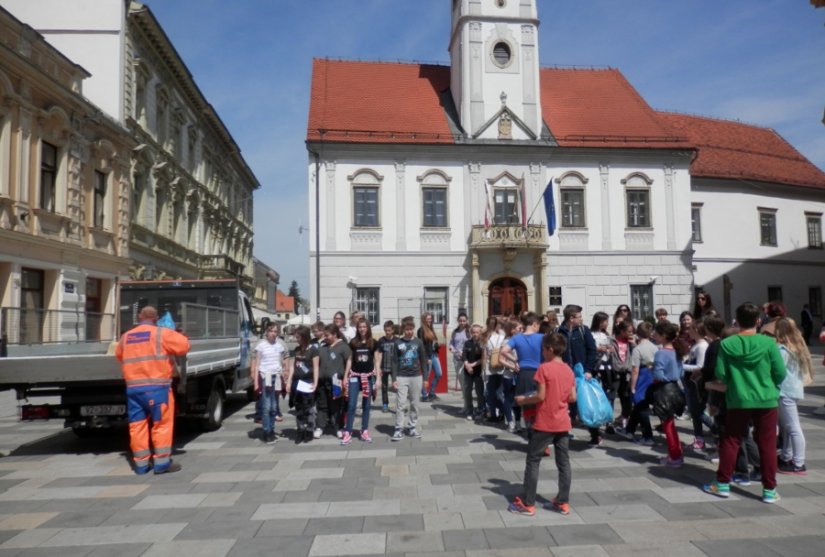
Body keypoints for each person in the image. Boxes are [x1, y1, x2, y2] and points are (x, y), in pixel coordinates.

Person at [703, 302, 786, 504]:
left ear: (737, 321)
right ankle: (769, 489)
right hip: (766, 399)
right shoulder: (768, 344)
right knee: (767, 443)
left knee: (731, 440)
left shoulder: (726, 344)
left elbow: (721, 374)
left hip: (738, 398)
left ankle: (723, 483)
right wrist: (769, 385)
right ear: (758, 321)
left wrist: (736, 382)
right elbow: (780, 373)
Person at [507, 333, 577, 517]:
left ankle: (528, 503)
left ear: (550, 349)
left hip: (545, 420)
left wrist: (523, 400)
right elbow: (573, 397)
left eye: (543, 349)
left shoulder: (544, 369)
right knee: (563, 463)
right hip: (563, 421)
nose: (542, 353)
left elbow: (540, 396)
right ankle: (563, 502)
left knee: (533, 461)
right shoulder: (569, 370)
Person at [115, 306, 190, 474]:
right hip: (157, 388)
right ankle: (161, 463)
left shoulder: (126, 336)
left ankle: (141, 465)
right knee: (161, 425)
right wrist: (178, 334)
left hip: (134, 389)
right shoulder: (161, 333)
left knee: (137, 426)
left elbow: (119, 355)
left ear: (139, 317)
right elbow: (184, 346)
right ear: (156, 319)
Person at [774, 317, 814, 475]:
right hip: (793, 390)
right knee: (787, 426)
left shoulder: (782, 350)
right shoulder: (797, 347)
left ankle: (798, 462)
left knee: (793, 427)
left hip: (785, 391)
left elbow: (778, 371)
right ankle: (786, 456)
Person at [556, 305, 598, 445]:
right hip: (564, 374)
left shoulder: (583, 330)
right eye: (579, 316)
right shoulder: (558, 332)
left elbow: (592, 351)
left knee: (587, 404)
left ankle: (595, 434)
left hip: (582, 374)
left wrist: (588, 370)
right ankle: (563, 432)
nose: (581, 319)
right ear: (571, 318)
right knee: (565, 404)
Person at [650, 321, 688, 467]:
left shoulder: (660, 353)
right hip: (676, 389)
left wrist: (651, 369)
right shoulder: (677, 351)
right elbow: (681, 372)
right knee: (670, 424)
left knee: (668, 425)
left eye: (657, 334)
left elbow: (659, 375)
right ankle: (675, 453)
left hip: (664, 390)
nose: (654, 335)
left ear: (663, 336)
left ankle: (675, 456)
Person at [501, 312, 545, 434]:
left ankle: (531, 432)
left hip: (524, 374)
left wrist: (515, 360)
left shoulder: (516, 338)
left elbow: (504, 351)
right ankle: (541, 432)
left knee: (527, 405)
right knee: (541, 403)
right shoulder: (541, 337)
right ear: (535, 324)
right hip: (539, 372)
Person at [342, 318, 380, 445]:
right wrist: (345, 376)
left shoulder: (373, 343)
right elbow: (349, 360)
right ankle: (348, 431)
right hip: (354, 376)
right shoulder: (353, 342)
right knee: (351, 404)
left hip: (368, 377)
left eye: (364, 327)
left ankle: (364, 430)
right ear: (357, 329)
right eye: (360, 327)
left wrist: (378, 378)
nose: (362, 329)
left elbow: (377, 361)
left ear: (368, 328)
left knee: (366, 405)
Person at [620, 321, 657, 445]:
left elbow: (635, 370)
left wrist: (633, 386)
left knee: (641, 406)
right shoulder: (654, 347)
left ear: (637, 333)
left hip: (642, 376)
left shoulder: (637, 349)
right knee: (640, 405)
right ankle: (629, 430)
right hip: (651, 375)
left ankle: (648, 436)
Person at [392, 316, 427, 441]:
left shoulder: (418, 342)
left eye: (411, 329)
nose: (409, 331)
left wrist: (426, 378)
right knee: (400, 404)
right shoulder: (398, 343)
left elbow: (423, 361)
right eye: (406, 329)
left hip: (416, 376)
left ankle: (412, 427)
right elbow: (394, 362)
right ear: (403, 330)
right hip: (401, 377)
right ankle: (398, 429)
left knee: (414, 404)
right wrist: (394, 379)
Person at [252, 322, 287, 444]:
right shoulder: (261, 345)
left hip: (276, 376)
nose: (273, 333)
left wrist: (284, 377)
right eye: (271, 331)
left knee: (274, 406)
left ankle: (272, 430)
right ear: (266, 332)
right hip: (265, 376)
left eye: (276, 331)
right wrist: (256, 382)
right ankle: (266, 432)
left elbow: (281, 363)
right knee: (266, 406)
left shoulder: (279, 346)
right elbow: (257, 365)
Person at [284, 325, 319, 444]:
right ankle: (300, 430)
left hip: (308, 382)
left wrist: (315, 383)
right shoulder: (297, 349)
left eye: (298, 337)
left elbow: (315, 367)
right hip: (297, 382)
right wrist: (289, 382)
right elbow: (293, 367)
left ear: (304, 337)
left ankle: (309, 430)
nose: (296, 339)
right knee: (298, 408)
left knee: (308, 408)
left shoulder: (313, 350)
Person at [315, 324, 351, 439]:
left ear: (335, 334)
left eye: (327, 335)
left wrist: (345, 377)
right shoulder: (323, 346)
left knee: (336, 406)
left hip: (336, 382)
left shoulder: (343, 347)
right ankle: (320, 426)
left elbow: (349, 361)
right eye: (324, 335)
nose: (325, 337)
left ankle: (338, 427)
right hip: (322, 381)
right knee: (322, 405)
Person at [682, 319, 710, 450]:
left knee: (698, 413)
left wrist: (682, 366)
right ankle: (698, 438)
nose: (688, 331)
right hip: (690, 382)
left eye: (691, 329)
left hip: (695, 383)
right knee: (694, 412)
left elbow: (700, 366)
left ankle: (715, 431)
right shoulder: (696, 345)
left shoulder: (702, 346)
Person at [484, 316, 507, 425]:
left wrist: (483, 369)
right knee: (499, 392)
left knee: (492, 392)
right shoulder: (502, 336)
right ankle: (503, 413)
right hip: (501, 364)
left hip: (490, 365)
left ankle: (494, 414)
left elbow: (484, 354)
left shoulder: (485, 337)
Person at [461, 323, 485, 420]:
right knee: (467, 391)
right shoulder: (467, 343)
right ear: (471, 333)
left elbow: (483, 358)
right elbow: (464, 355)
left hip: (478, 371)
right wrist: (467, 365)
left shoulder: (482, 344)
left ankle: (480, 409)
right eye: (473, 332)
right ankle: (470, 409)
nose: (475, 334)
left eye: (477, 332)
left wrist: (472, 365)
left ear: (480, 333)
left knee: (479, 392)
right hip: (468, 371)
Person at [376, 320, 399, 412]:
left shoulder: (397, 340)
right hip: (384, 367)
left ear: (393, 330)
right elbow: (378, 355)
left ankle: (399, 405)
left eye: (389, 330)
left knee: (396, 387)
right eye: (386, 330)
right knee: (384, 387)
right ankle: (385, 404)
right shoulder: (381, 341)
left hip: (394, 368)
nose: (387, 332)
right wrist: (378, 368)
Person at [418, 311, 442, 402]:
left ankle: (432, 392)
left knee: (439, 373)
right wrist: (426, 358)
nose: (430, 320)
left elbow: (432, 342)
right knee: (426, 376)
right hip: (427, 356)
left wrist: (437, 344)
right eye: (428, 319)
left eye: (430, 319)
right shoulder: (421, 330)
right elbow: (422, 346)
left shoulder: (431, 328)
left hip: (434, 354)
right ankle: (424, 395)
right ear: (423, 320)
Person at [449, 313, 470, 392]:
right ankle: (465, 398)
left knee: (468, 380)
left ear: (466, 321)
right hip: (457, 359)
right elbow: (451, 345)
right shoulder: (455, 332)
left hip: (468, 359)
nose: (462, 323)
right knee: (461, 379)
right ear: (458, 321)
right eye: (460, 321)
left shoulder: (469, 331)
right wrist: (454, 351)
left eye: (464, 321)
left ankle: (467, 398)